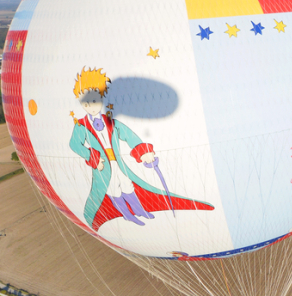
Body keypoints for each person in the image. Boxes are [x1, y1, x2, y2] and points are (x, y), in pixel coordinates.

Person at [69, 67, 213, 230]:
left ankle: (139, 210)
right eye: (86, 103)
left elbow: (128, 135)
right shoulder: (81, 126)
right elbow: (74, 145)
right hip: (103, 166)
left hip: (118, 162)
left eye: (95, 100)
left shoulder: (110, 121)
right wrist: (92, 157)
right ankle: (127, 214)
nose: (91, 106)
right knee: (113, 189)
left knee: (127, 184)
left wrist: (143, 152)